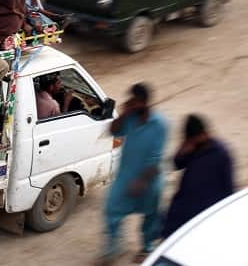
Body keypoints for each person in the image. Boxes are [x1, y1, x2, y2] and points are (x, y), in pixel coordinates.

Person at [100, 83, 168, 265]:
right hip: (126, 177)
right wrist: (123, 114)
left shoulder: (160, 124)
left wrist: (142, 181)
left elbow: (156, 158)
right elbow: (113, 131)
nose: (133, 104)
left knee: (151, 217)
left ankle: (147, 248)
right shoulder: (130, 118)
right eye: (132, 101)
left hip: (149, 180)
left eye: (136, 102)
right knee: (112, 209)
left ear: (145, 102)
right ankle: (113, 248)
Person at [161, 114, 234, 238]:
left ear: (204, 133)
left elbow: (228, 188)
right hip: (184, 209)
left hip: (207, 213)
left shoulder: (221, 153)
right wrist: (182, 151)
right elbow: (176, 164)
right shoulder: (191, 148)